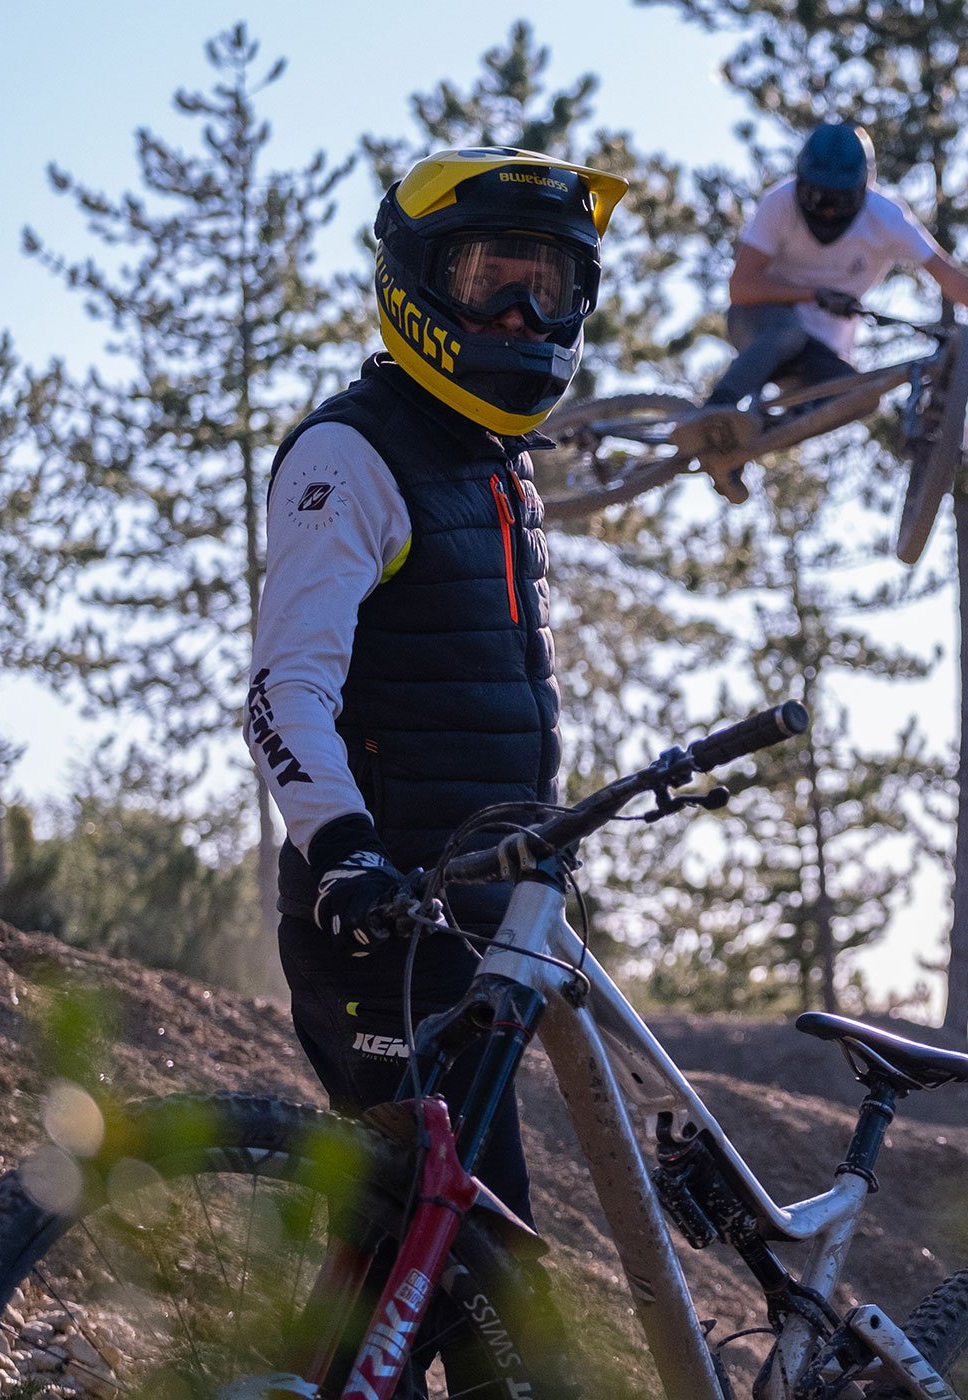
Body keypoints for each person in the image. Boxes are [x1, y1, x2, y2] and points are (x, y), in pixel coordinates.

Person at [243, 146, 629, 1224]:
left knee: (469, 1255)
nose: (518, 313)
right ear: (416, 281)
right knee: (441, 1251)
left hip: (483, 920)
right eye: (487, 281)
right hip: (382, 924)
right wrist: (346, 853)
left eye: (545, 285)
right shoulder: (352, 456)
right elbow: (284, 691)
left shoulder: (492, 457)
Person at [672, 122, 968, 501]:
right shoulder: (779, 203)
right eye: (816, 199)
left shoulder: (886, 218)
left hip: (817, 350)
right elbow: (741, 288)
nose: (825, 213)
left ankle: (746, 444)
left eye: (838, 201)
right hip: (759, 323)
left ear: (863, 191)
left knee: (861, 398)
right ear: (800, 184)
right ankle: (714, 413)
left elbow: (953, 279)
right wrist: (814, 294)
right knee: (785, 334)